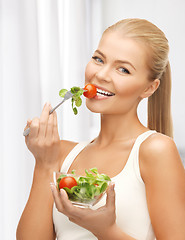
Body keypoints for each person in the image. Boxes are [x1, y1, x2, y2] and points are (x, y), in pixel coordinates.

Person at [16, 18, 185, 240]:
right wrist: (44, 163)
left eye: (123, 70)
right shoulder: (62, 154)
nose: (102, 75)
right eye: (98, 59)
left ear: (149, 88)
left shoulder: (155, 150)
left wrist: (105, 230)